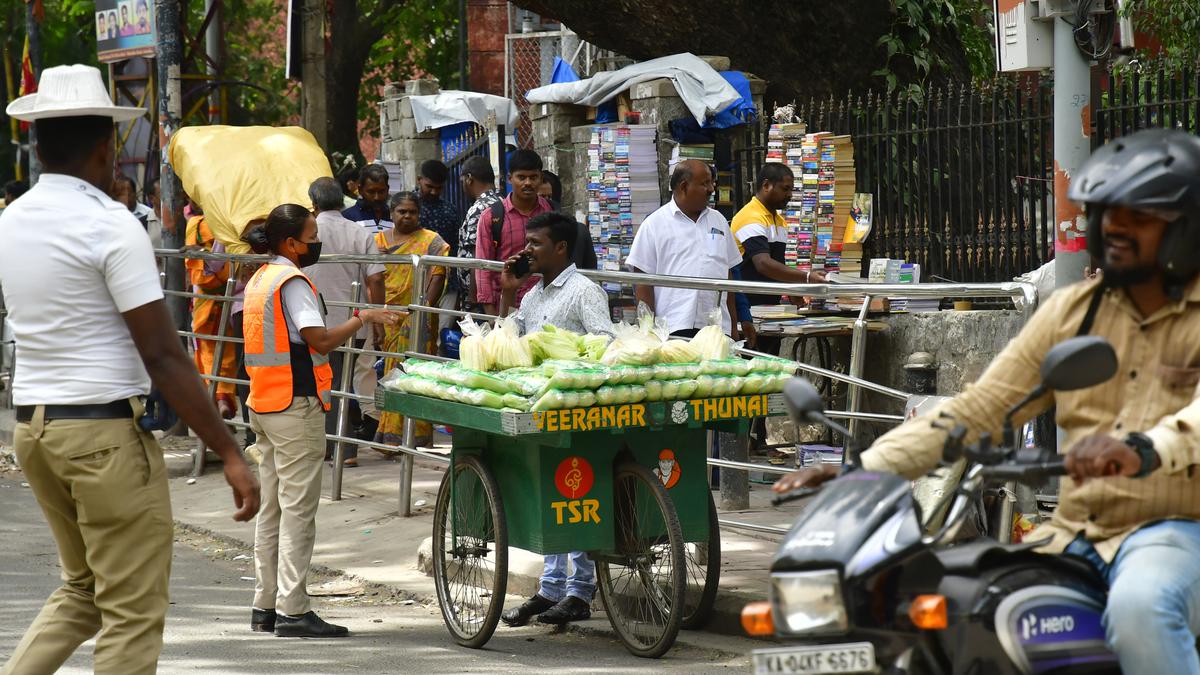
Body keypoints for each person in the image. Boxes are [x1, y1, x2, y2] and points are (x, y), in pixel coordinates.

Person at [774, 128, 1200, 675]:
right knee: (970, 605)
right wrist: (861, 471)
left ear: (1184, 227)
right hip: (1077, 532)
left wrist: (1145, 448)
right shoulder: (1074, 313)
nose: (1115, 226)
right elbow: (980, 407)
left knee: (1142, 609)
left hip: (1175, 527)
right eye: (1108, 213)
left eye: (1137, 216)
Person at [0, 63, 259, 675]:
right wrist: (228, 451)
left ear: (36, 141)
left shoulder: (11, 221)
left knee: (84, 591)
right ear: (105, 144)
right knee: (132, 611)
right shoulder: (110, 224)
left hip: (35, 431)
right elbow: (162, 353)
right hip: (103, 438)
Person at [242, 204, 399, 639]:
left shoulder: (260, 279)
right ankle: (294, 610)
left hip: (265, 403)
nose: (317, 242)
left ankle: (266, 605)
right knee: (298, 511)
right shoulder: (292, 281)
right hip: (294, 407)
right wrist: (362, 317)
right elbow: (321, 340)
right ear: (291, 243)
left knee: (273, 508)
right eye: (311, 235)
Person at [497, 212, 614, 628]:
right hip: (541, 409)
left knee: (577, 494)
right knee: (553, 493)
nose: (526, 250)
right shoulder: (532, 295)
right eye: (526, 243)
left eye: (535, 243)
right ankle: (550, 588)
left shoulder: (584, 291)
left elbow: (605, 345)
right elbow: (508, 344)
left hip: (578, 410)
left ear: (561, 248)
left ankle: (580, 591)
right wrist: (508, 294)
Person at [304, 176, 386, 467]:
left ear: (313, 203)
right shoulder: (359, 232)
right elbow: (376, 277)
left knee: (323, 382)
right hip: (354, 318)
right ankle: (342, 446)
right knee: (343, 381)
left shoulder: (306, 231)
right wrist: (378, 316)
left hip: (313, 318)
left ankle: (335, 447)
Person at [626, 159, 742, 340]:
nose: (711, 189)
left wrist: (734, 327)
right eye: (705, 183)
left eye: (712, 182)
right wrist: (647, 333)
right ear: (684, 186)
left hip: (717, 327)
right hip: (673, 327)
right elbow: (643, 283)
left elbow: (728, 277)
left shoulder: (718, 220)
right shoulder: (654, 224)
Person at [373, 191, 449, 448]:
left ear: (419, 214)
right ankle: (390, 435)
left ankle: (416, 437)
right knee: (390, 373)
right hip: (388, 315)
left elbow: (438, 275)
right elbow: (372, 278)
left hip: (419, 318)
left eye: (412, 212)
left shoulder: (432, 241)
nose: (407, 216)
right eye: (401, 211)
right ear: (391, 213)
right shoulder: (378, 241)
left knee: (416, 375)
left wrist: (422, 309)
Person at [731, 162, 827, 306]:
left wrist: (792, 292)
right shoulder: (750, 217)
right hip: (746, 305)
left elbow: (777, 263)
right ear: (766, 186)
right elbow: (763, 263)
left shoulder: (780, 221)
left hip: (768, 305)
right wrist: (807, 277)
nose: (789, 195)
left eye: (791, 190)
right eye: (785, 189)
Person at [475, 149, 553, 316]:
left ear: (541, 178)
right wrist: (491, 316)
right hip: (505, 305)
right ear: (510, 178)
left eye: (533, 177)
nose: (527, 183)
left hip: (546, 305)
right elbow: (483, 267)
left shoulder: (551, 212)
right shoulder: (491, 217)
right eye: (521, 177)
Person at [184, 204, 239, 419]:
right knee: (228, 351)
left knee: (206, 349)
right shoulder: (231, 221)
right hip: (231, 294)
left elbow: (194, 264)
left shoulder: (195, 224)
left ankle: (218, 398)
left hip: (206, 297)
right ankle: (223, 397)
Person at [455, 155, 503, 316]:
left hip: (481, 296)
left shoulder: (479, 208)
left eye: (462, 181)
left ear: (469, 179)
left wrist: (472, 299)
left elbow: (478, 255)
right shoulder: (501, 202)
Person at [342, 163, 390, 233]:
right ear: (360, 190)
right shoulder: (348, 218)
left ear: (387, 189)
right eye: (371, 192)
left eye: (381, 191)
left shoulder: (395, 216)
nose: (377, 197)